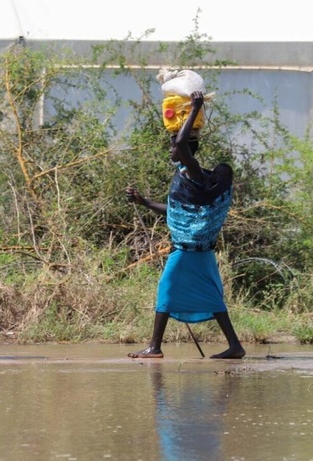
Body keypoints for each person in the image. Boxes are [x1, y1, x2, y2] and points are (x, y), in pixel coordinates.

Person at [125, 90, 245, 360]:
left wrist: (195, 108)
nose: (171, 150)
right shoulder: (192, 178)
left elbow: (181, 143)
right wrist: (144, 202)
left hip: (187, 250)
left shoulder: (196, 174)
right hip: (200, 251)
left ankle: (154, 347)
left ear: (185, 150)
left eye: (173, 146)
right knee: (211, 297)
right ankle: (235, 346)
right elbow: (179, 211)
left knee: (166, 289)